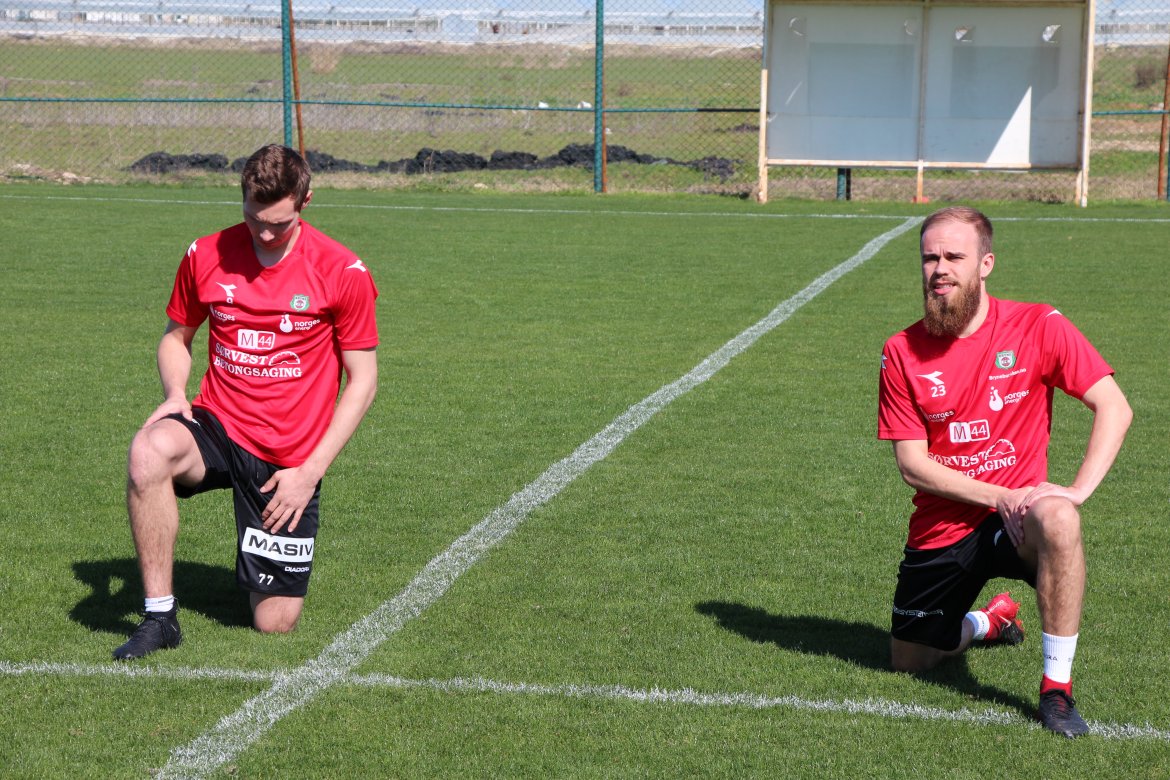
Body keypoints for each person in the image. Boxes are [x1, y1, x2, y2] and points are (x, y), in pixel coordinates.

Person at [114, 144, 379, 660]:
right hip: (218, 422)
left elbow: (363, 381)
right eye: (254, 218)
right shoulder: (205, 253)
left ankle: (259, 556)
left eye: (278, 224)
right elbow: (176, 337)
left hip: (287, 459)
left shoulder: (341, 270)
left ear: (305, 201)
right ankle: (159, 617)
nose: (265, 234)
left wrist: (309, 472)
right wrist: (175, 395)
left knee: (273, 623)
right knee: (148, 451)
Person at [877, 206, 1131, 737]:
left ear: (985, 264)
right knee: (910, 661)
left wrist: (1077, 490)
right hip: (946, 525)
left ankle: (1056, 690)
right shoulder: (901, 351)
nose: (939, 269)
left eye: (954, 257)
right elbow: (913, 466)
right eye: (929, 258)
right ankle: (987, 621)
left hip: (1022, 522)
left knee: (1059, 517)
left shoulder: (1038, 325)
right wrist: (999, 495)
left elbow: (1114, 406)